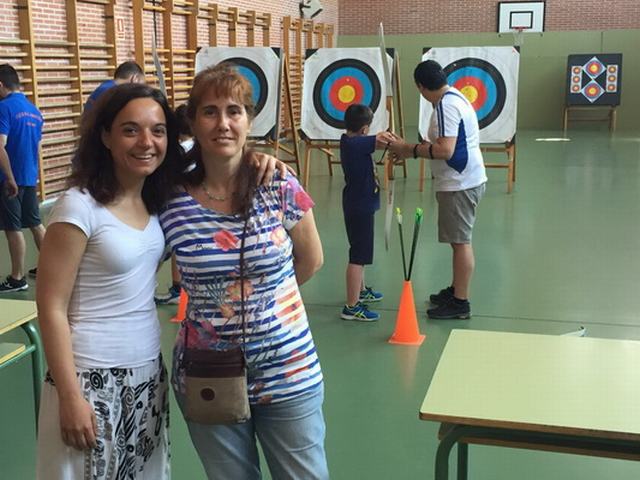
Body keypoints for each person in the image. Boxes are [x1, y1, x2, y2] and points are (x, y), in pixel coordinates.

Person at [160, 64, 329, 479]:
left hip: (288, 368)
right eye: (210, 111)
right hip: (207, 373)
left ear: (249, 121)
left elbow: (311, 259)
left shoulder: (279, 184)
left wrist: (263, 305)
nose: (223, 123)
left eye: (234, 111)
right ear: (194, 122)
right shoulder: (171, 199)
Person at [387, 60, 487, 320]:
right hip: (463, 180)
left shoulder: (446, 105)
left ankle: (460, 303)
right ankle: (456, 291)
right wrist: (409, 151)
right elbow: (440, 143)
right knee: (458, 242)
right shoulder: (454, 98)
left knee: (461, 243)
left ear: (420, 86)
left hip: (460, 183)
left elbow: (445, 150)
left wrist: (408, 149)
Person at [339, 104, 395, 322]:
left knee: (359, 252)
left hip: (358, 204)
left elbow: (376, 141)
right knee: (358, 257)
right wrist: (393, 140)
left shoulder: (352, 142)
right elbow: (380, 140)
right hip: (359, 206)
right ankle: (351, 306)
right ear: (364, 129)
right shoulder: (355, 144)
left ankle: (360, 291)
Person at [0, 63, 45, 292]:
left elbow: (1, 146)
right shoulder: (33, 110)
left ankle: (17, 277)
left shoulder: (3, 108)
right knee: (36, 223)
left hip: (11, 180)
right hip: (29, 176)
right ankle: (49, 267)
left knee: (13, 227)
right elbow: (37, 147)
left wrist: (9, 178)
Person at [155, 104, 192, 305]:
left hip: (174, 211)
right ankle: (178, 289)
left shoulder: (180, 152)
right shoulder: (197, 149)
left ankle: (178, 289)